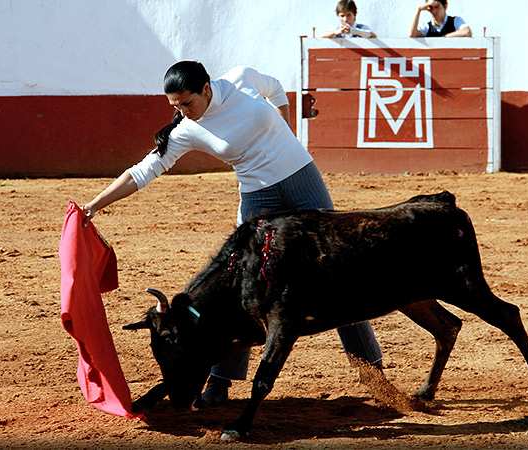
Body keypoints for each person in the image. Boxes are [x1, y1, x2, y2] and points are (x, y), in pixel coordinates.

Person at [82, 61, 383, 407]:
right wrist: (94, 205)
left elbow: (277, 88)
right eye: (175, 107)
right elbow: (143, 171)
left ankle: (371, 370)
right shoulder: (186, 130)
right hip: (259, 196)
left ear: (206, 89)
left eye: (187, 103)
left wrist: (284, 130)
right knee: (242, 291)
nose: (182, 113)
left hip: (302, 177)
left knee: (336, 270)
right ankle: (220, 382)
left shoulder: (242, 78)